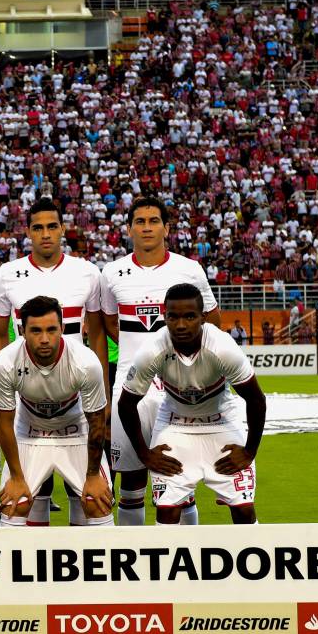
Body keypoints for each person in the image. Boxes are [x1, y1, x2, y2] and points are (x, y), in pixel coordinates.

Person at [101, 196, 220, 526]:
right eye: (140, 221)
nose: (147, 227)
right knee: (131, 482)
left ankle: (186, 560)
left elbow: (212, 320)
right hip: (131, 387)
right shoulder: (111, 273)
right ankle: (133, 564)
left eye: (154, 221)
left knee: (181, 481)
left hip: (179, 388)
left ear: (167, 228)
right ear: (129, 229)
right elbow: (111, 324)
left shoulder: (188, 269)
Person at [0, 198, 108, 527]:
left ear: (63, 229)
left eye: (51, 226)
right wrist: (0, 387)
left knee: (88, 497)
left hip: (75, 397)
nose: (45, 234)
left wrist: (104, 399)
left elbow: (97, 335)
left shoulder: (87, 272)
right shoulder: (7, 275)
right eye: (37, 227)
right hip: (28, 397)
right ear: (27, 231)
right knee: (25, 497)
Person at [117, 284, 267, 525]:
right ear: (164, 316)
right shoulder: (152, 349)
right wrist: (144, 454)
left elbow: (256, 399)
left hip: (221, 422)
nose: (181, 324)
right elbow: (126, 404)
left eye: (189, 316)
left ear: (203, 317)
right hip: (175, 423)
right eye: (173, 316)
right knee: (166, 510)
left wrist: (249, 451)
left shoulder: (223, 347)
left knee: (244, 510)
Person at [0, 296, 114, 527]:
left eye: (51, 330)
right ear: (22, 331)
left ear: (63, 329)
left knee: (97, 502)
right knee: (14, 504)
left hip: (76, 434)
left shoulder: (86, 363)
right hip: (30, 434)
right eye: (35, 331)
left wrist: (93, 476)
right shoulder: (4, 363)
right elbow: (4, 424)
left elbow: (97, 422)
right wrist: (17, 477)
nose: (44, 339)